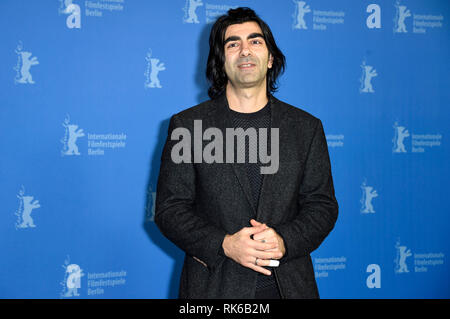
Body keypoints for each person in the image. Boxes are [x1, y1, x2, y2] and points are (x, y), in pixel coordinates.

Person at [155, 7, 338, 299]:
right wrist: (224, 244)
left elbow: (322, 206)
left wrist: (284, 240)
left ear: (271, 59)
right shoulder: (188, 126)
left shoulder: (306, 128)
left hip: (290, 287)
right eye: (232, 43)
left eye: (255, 41)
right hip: (215, 289)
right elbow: (170, 209)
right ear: (221, 61)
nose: (244, 51)